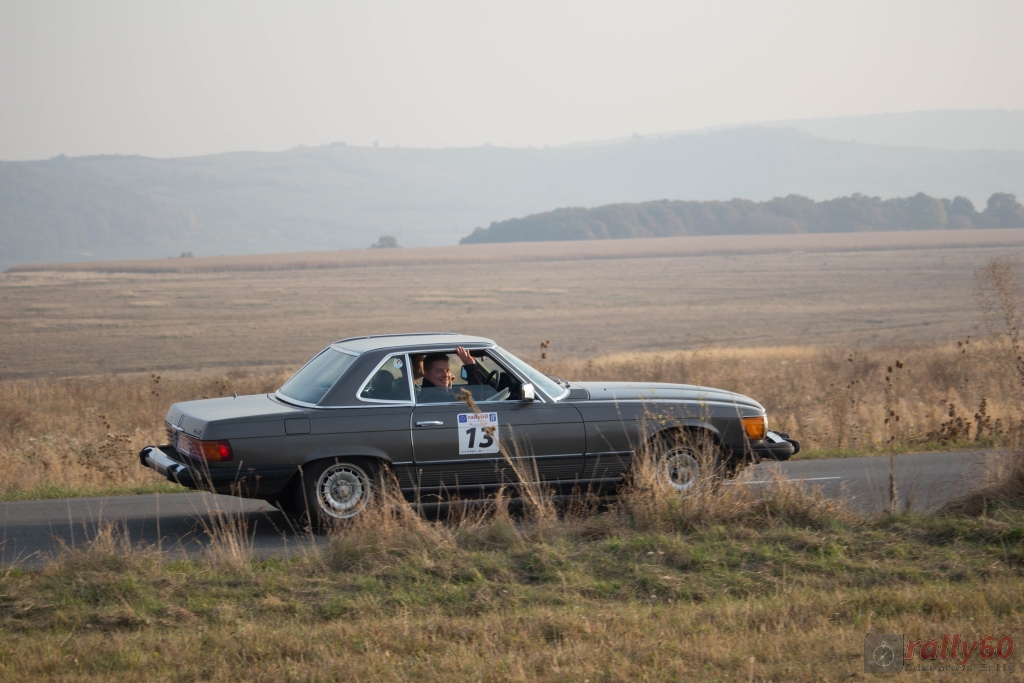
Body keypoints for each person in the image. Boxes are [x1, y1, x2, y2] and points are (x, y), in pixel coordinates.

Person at [419, 347, 486, 402]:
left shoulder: (430, 392)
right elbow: (476, 399)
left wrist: (448, 387)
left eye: (447, 370)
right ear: (426, 374)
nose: (446, 375)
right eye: (439, 371)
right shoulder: (436, 397)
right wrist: (471, 366)